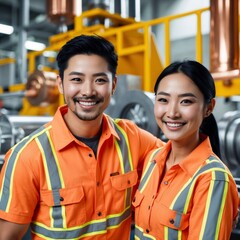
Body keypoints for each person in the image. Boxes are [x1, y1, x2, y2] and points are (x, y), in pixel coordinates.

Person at [0, 34, 164, 239]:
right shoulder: (27, 157)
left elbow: (180, 160)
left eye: (100, 80)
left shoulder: (134, 139)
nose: (88, 91)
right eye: (77, 79)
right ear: (60, 84)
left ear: (113, 85)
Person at [133, 60, 239, 240]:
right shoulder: (152, 159)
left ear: (208, 108)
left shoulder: (213, 180)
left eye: (186, 101)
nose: (172, 112)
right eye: (163, 100)